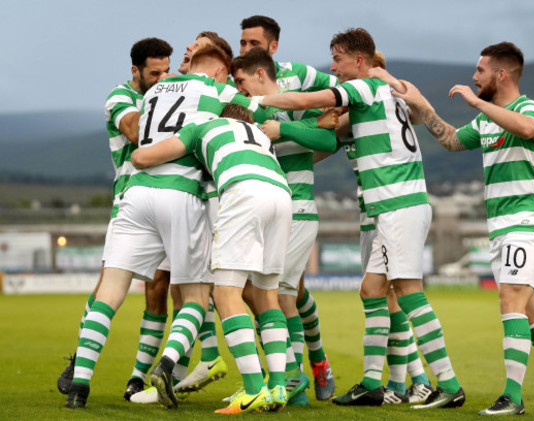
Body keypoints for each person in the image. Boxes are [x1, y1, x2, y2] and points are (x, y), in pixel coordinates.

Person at [378, 41, 534, 415]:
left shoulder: (530, 108)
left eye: (480, 70)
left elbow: (528, 129)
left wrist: (479, 103)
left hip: (528, 220)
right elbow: (450, 139)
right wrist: (421, 104)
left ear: (502, 73)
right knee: (529, 314)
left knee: (509, 301)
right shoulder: (485, 121)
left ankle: (513, 397)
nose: (473, 77)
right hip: (501, 225)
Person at [253, 28, 464, 408]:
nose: (332, 68)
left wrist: (260, 98)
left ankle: (447, 384)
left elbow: (308, 99)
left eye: (337, 59)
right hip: (389, 206)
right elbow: (336, 131)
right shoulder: (388, 91)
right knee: (371, 290)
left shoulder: (364, 88)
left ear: (359, 61)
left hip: (398, 204)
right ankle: (374, 382)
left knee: (409, 294)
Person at [64, 43, 265, 410]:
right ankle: (168, 365)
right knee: (195, 295)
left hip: (135, 192)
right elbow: (261, 109)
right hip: (181, 194)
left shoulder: (155, 91)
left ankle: (79, 387)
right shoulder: (215, 90)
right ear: (220, 72)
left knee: (108, 292)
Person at [131, 104, 293, 414]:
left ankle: (252, 390)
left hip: (243, 191)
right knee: (266, 296)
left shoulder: (203, 127)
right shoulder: (259, 135)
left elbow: (143, 158)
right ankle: (276, 388)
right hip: (282, 195)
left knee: (224, 292)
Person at [57, 37, 174, 400]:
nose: (161, 78)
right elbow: (136, 131)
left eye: (167, 72)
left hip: (168, 199)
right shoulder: (119, 97)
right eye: (154, 73)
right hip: (130, 201)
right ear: (135, 70)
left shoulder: (171, 90)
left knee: (157, 291)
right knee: (107, 288)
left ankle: (137, 378)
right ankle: (82, 358)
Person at [232, 47, 339, 404]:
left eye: (242, 81)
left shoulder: (294, 109)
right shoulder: (247, 112)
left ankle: (296, 374)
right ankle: (294, 376)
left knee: (278, 294)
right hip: (263, 214)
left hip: (298, 211)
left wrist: (284, 128)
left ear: (260, 74)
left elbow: (327, 139)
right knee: (264, 293)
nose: (240, 88)